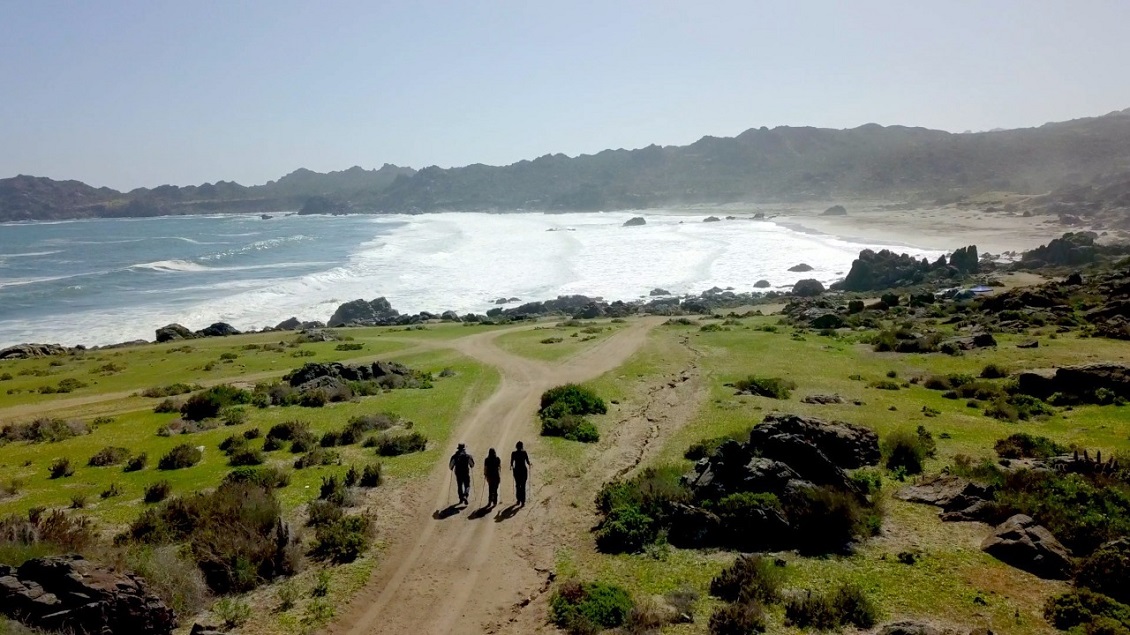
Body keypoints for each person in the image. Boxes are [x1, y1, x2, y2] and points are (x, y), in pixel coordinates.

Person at [510, 441, 532, 506]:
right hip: (523, 471)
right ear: (522, 446)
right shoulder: (524, 453)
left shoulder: (513, 453)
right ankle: (523, 501)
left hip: (517, 471)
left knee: (517, 485)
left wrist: (512, 468)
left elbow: (511, 463)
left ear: (516, 446)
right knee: (523, 486)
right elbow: (527, 462)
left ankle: (518, 500)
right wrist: (530, 464)